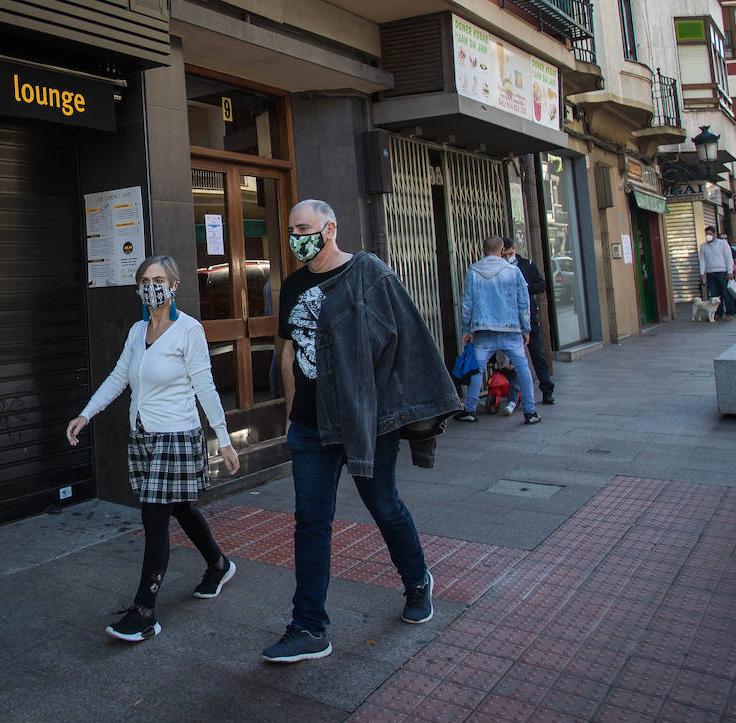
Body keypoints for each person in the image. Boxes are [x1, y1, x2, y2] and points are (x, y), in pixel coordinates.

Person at [261, 199, 459, 663]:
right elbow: (288, 352)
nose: (295, 237)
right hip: (311, 427)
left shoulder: (369, 273)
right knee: (311, 522)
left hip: (363, 420)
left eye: (304, 228)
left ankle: (417, 581)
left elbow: (406, 342)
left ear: (330, 228)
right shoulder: (291, 286)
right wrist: (292, 413)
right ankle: (309, 626)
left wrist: (405, 409)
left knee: (384, 505)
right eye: (290, 230)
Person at [66, 255, 241, 642]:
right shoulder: (137, 330)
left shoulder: (188, 331)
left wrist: (224, 439)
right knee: (179, 506)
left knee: (154, 517)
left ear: (174, 286)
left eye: (159, 279)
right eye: (145, 279)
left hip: (177, 436)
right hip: (144, 436)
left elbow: (205, 387)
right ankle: (218, 563)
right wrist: (86, 414)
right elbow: (118, 377)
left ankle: (145, 611)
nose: (151, 286)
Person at [453, 236, 540, 425]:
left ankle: (469, 409)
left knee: (477, 370)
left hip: (483, 329)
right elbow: (523, 303)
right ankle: (530, 412)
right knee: (522, 368)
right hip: (510, 329)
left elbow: (467, 303)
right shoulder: (513, 271)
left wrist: (466, 329)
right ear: (502, 250)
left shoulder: (473, 271)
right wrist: (526, 329)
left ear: (483, 250)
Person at [502, 236, 554, 405]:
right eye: (505, 254)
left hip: (527, 317)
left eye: (511, 253)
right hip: (507, 318)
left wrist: (524, 287)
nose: (509, 257)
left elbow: (541, 285)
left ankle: (547, 390)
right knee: (511, 358)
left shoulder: (527, 265)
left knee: (537, 353)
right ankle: (511, 393)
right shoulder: (499, 268)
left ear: (514, 250)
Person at [698, 229, 736, 320]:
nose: (708, 235)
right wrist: (702, 273)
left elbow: (729, 258)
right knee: (714, 294)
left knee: (726, 292)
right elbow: (702, 260)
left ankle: (729, 312)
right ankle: (717, 313)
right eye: (707, 234)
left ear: (715, 234)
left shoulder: (723, 244)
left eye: (710, 234)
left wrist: (729, 271)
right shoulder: (704, 246)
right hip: (710, 273)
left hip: (722, 272)